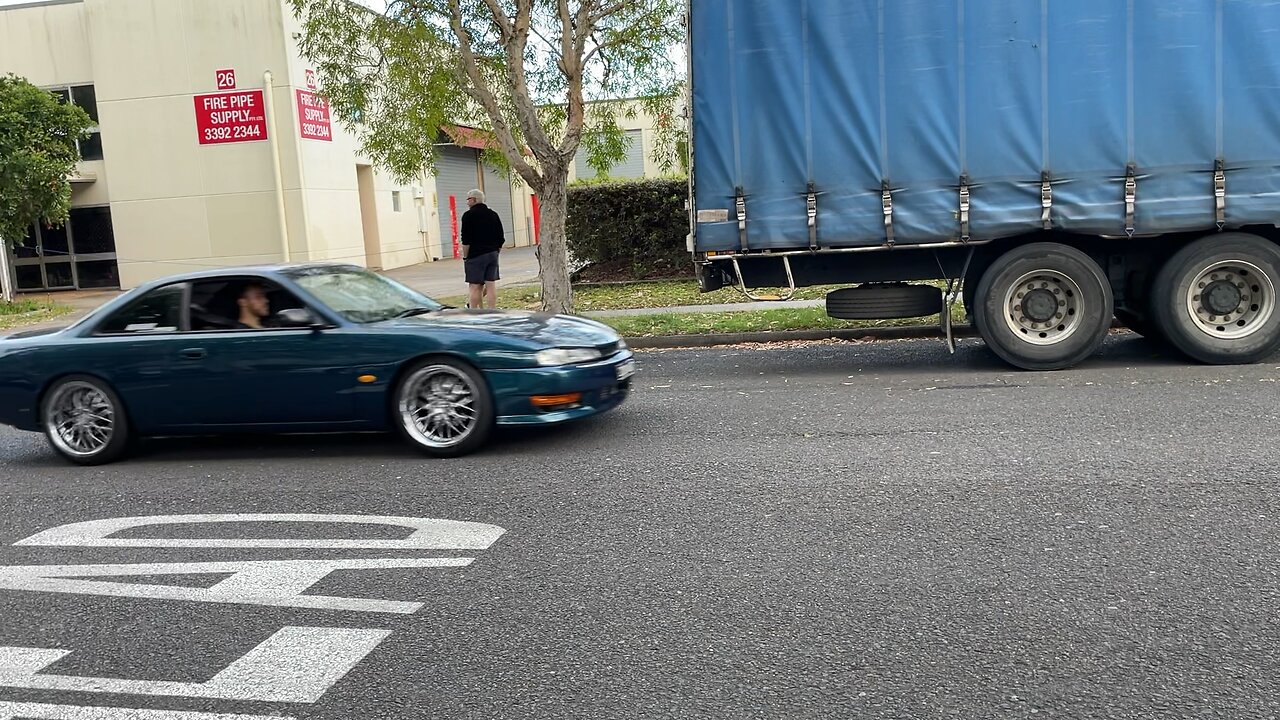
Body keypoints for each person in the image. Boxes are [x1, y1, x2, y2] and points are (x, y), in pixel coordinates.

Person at [460, 188, 504, 309]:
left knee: (475, 286)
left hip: (476, 255)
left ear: (474, 200)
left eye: (468, 199)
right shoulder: (493, 215)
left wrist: (466, 257)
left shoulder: (468, 216)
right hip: (492, 254)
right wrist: (496, 252)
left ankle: (474, 312)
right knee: (490, 285)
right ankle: (492, 311)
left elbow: (466, 239)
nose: (467, 202)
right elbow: (501, 237)